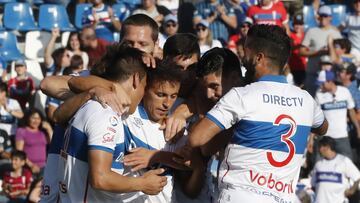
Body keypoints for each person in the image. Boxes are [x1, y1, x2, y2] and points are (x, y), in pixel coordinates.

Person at [188, 24, 328, 202]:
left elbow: (197, 139)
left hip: (239, 196)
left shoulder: (242, 96)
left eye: (246, 51)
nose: (243, 57)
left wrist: (197, 103)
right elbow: (323, 127)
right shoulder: (307, 101)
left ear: (258, 57)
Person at [57, 45, 166, 202]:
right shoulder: (106, 114)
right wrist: (142, 183)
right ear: (136, 79)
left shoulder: (89, 102)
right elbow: (100, 178)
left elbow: (58, 116)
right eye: (145, 85)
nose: (143, 94)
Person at [314, 69, 360, 161]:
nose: (320, 86)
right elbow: (315, 118)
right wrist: (311, 139)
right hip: (324, 137)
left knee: (348, 163)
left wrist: (358, 128)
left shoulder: (344, 92)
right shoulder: (318, 94)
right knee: (320, 164)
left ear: (329, 81)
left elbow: (351, 112)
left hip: (342, 136)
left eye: (322, 83)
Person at [300, 5, 342, 96]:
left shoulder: (336, 33)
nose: (323, 18)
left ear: (330, 17)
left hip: (330, 77)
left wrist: (330, 50)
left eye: (325, 15)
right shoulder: (311, 31)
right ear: (318, 17)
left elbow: (341, 54)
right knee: (312, 103)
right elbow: (301, 51)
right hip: (313, 74)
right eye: (321, 15)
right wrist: (319, 52)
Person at [311, 136, 360, 203]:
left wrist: (351, 191)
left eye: (320, 146)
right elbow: (313, 185)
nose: (319, 149)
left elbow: (357, 177)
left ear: (327, 147)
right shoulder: (318, 164)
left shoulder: (343, 161)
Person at [15, 109, 52, 176]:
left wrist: (49, 129)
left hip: (44, 167)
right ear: (28, 118)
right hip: (28, 168)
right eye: (33, 118)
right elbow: (19, 153)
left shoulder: (43, 132)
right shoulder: (22, 131)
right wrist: (31, 165)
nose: (36, 121)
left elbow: (53, 144)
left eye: (38, 118)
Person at [288, 14, 307, 87]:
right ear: (293, 25)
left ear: (303, 25)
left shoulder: (306, 35)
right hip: (292, 68)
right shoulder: (290, 36)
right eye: (296, 24)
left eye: (300, 24)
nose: (298, 26)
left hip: (304, 68)